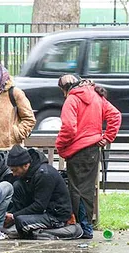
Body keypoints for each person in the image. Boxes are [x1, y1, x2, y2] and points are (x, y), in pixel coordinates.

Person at [55, 74, 121, 239]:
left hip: (77, 151)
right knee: (87, 189)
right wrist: (107, 137)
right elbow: (115, 115)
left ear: (65, 88)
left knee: (76, 190)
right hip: (92, 151)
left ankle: (83, 229)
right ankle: (86, 228)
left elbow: (69, 127)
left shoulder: (72, 99)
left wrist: (61, 146)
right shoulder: (96, 96)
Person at [5, 145, 73, 239]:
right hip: (42, 212)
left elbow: (39, 206)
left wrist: (14, 216)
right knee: (17, 185)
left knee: (21, 222)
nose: (14, 174)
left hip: (55, 216)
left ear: (26, 165)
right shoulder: (27, 174)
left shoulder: (44, 175)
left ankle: (41, 233)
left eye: (15, 170)